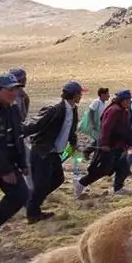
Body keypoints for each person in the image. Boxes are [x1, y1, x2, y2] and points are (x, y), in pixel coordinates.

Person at [23, 80, 82, 223]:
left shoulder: (73, 109)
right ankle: (32, 212)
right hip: (42, 150)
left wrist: (73, 144)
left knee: (58, 179)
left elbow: (71, 129)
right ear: (74, 95)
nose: (81, 96)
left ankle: (32, 201)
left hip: (54, 152)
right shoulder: (54, 108)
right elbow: (35, 124)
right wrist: (16, 133)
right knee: (41, 184)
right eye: (80, 93)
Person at [0, 73, 30, 244]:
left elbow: (17, 137)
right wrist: (4, 171)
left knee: (21, 194)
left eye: (16, 89)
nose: (14, 93)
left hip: (8, 165)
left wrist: (22, 163)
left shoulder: (12, 109)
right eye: (10, 89)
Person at [75, 89, 132, 197]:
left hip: (118, 147)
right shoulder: (114, 110)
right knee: (102, 170)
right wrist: (104, 144)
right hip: (109, 147)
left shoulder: (122, 111)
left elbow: (126, 129)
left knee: (124, 168)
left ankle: (118, 188)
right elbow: (106, 128)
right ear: (122, 100)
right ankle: (80, 184)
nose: (129, 103)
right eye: (128, 101)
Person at [78, 87, 109, 159]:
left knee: (98, 139)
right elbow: (91, 111)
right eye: (107, 94)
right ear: (102, 95)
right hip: (95, 124)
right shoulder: (97, 102)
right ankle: (91, 153)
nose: (108, 95)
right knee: (99, 140)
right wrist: (92, 123)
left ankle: (88, 151)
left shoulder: (103, 103)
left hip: (99, 124)